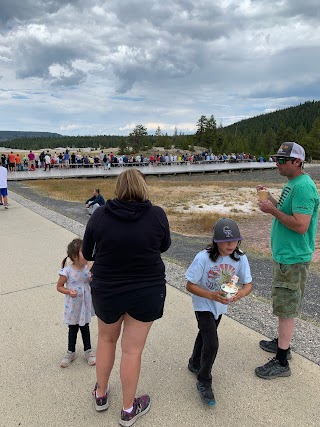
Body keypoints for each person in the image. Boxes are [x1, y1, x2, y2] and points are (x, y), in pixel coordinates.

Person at [82, 169, 171, 425]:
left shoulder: (100, 215)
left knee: (106, 341)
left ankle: (100, 395)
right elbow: (164, 246)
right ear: (143, 187)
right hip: (147, 290)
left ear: (118, 187)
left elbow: (87, 252)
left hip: (108, 289)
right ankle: (129, 410)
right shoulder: (157, 215)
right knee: (132, 351)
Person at [255, 142, 319, 379]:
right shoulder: (292, 184)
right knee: (283, 305)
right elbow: (285, 210)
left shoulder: (303, 187)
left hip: (293, 258)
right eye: (277, 159)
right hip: (285, 256)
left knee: (287, 309)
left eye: (282, 160)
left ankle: (282, 360)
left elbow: (301, 225)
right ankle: (283, 343)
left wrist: (271, 211)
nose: (277, 163)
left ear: (297, 162)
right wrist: (270, 199)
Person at [186, 218, 252, 405]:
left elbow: (248, 285)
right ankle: (204, 380)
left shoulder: (240, 257)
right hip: (203, 303)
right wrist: (210, 295)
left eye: (234, 240)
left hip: (220, 304)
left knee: (206, 334)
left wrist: (239, 295)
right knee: (212, 342)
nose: (230, 244)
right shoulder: (203, 258)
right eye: (225, 241)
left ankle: (194, 362)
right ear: (216, 241)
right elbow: (189, 285)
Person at [56, 238, 96, 368]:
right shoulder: (67, 271)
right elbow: (59, 286)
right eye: (84, 252)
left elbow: (93, 281)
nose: (88, 254)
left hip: (84, 305)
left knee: (85, 328)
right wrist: (68, 291)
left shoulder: (87, 268)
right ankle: (70, 352)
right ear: (74, 256)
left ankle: (88, 351)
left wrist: (92, 272)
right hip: (73, 306)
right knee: (73, 329)